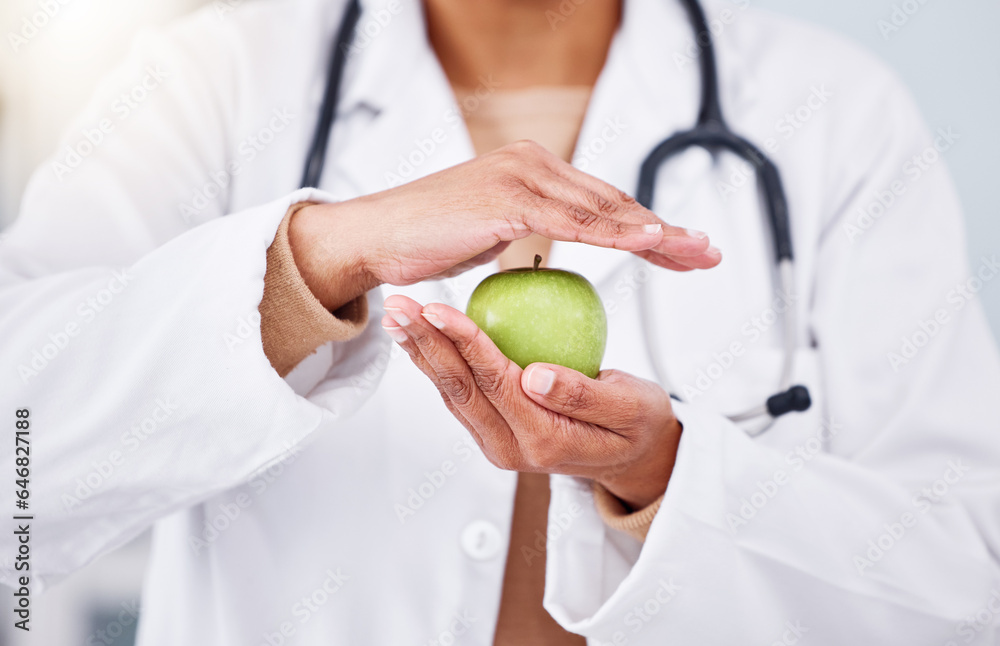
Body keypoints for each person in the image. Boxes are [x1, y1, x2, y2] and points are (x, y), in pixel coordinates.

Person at [1, 0, 998, 643]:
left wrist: (660, 477)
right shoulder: (206, 82)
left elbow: (965, 581)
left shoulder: (830, 113)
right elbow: (20, 465)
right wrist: (317, 257)